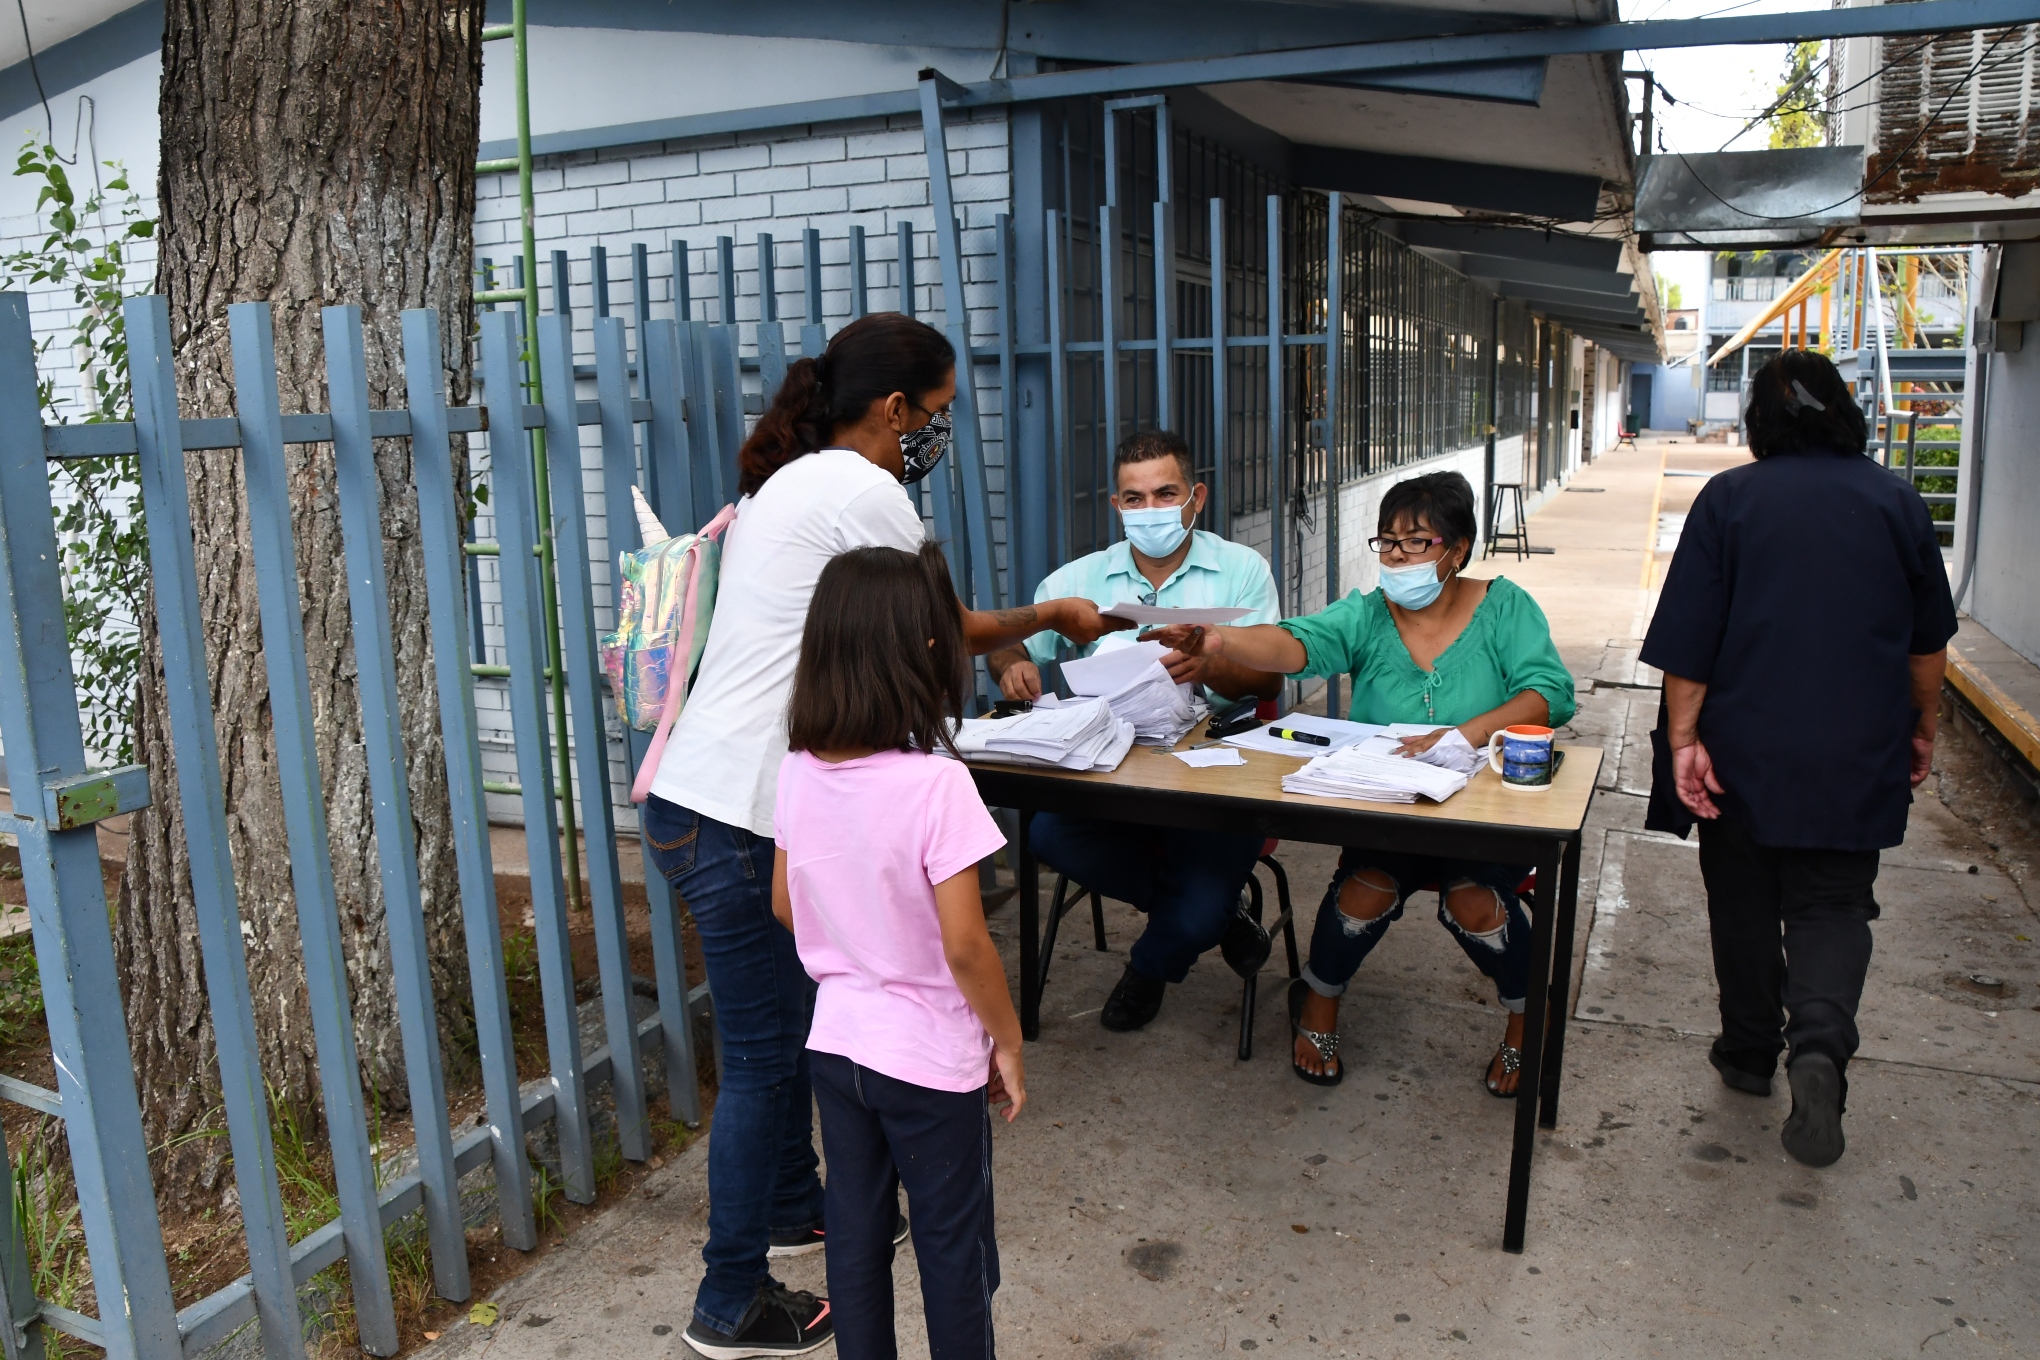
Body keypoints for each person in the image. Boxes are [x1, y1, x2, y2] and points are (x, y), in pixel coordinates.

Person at [643, 312, 1122, 1359]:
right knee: (769, 1060)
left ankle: (792, 1208)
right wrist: (1051, 617)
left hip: (712, 799)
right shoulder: (863, 489)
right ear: (897, 408)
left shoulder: (794, 479)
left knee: (797, 1025)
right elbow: (936, 622)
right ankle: (730, 1300)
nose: (938, 437)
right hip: (736, 809)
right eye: (938, 416)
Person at [1148, 470, 1573, 1094]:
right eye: (1387, 543)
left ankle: (1524, 1019)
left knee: (1473, 902)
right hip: (1386, 807)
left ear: (1456, 550)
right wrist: (1222, 640)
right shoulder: (1370, 615)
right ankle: (1318, 1005)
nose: (1396, 558)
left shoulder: (1505, 607)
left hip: (1481, 816)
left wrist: (1467, 735)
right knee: (1361, 895)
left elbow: (1550, 693)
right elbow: (1297, 643)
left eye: (1416, 542)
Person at [1641, 350, 1956, 1169]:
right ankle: (1818, 1049)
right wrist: (1921, 728)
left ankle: (1748, 1054)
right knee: (1834, 906)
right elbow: (1928, 646)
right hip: (1857, 750)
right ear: (1845, 412)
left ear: (1759, 423)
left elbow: (1691, 644)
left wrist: (1684, 742)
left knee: (1742, 901)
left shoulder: (1733, 500)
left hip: (1744, 750)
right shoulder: (1897, 500)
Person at [773, 542, 1024, 1360]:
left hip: (838, 1044)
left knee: (854, 1231)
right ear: (921, 654)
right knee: (954, 1249)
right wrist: (1009, 1040)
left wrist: (855, 945)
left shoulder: (798, 771)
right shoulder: (937, 784)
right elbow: (966, 944)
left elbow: (785, 901)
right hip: (929, 1059)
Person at [985, 429, 1284, 1031]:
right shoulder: (1080, 580)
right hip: (1109, 769)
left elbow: (1269, 682)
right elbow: (1005, 634)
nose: (1150, 510)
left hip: (1213, 773)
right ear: (1117, 505)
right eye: (1135, 498)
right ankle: (1219, 915)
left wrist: (1211, 661)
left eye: (1165, 493)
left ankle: (1151, 964)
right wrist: (1012, 661)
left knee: (1196, 911)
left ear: (1196, 497)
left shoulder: (1241, 571)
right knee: (1049, 836)